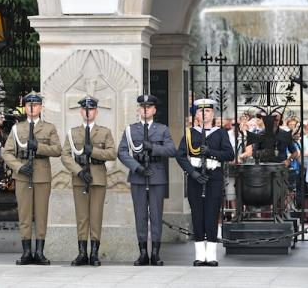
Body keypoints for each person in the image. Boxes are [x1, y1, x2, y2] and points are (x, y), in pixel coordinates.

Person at [2, 91, 61, 266]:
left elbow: (58, 150)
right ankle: (27, 252)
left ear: (40, 107)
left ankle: (40, 252)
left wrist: (40, 147)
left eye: (35, 105)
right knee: (25, 214)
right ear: (25, 107)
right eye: (29, 105)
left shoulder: (49, 128)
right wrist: (19, 167)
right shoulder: (17, 128)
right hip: (23, 175)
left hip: (42, 175)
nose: (32, 108)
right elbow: (7, 153)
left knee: (41, 214)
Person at [118, 94, 177, 266]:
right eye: (142, 107)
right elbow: (121, 152)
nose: (145, 110)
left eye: (149, 107)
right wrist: (137, 167)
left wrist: (154, 148)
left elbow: (171, 150)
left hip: (156, 175)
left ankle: (155, 253)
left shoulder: (162, 129)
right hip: (138, 175)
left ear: (154, 110)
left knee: (157, 215)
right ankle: (143, 252)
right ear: (138, 110)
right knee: (140, 215)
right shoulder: (131, 130)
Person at [176, 99, 234, 267]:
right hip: (196, 178)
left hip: (213, 177)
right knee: (197, 215)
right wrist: (192, 173)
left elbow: (229, 154)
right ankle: (200, 255)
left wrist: (211, 152)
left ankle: (212, 255)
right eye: (201, 111)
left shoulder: (220, 133)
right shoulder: (190, 133)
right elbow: (180, 155)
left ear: (213, 114)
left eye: (207, 111)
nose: (204, 114)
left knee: (211, 214)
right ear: (196, 115)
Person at [62, 95, 116, 266]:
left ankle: (94, 253)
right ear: (80, 111)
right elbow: (65, 155)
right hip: (80, 179)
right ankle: (82, 253)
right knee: (82, 216)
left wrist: (93, 151)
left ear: (96, 111)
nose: (88, 112)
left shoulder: (105, 132)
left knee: (96, 215)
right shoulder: (73, 133)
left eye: (91, 109)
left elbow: (111, 153)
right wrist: (78, 172)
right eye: (85, 109)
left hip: (98, 177)